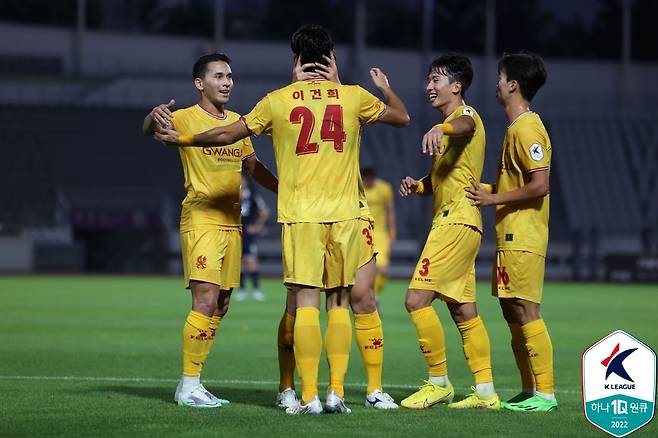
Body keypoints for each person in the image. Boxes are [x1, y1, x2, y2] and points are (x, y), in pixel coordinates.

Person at [155, 24, 409, 415]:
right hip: (344, 214)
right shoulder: (353, 96)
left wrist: (183, 140)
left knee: (302, 305)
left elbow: (227, 136)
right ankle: (335, 393)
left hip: (301, 216)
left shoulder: (277, 100)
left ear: (295, 60)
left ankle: (306, 396)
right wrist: (349, 83)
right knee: (340, 302)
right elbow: (402, 117)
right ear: (331, 58)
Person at [142, 52, 277, 408]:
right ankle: (187, 385)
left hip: (233, 224)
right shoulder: (185, 117)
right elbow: (150, 129)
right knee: (204, 299)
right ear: (200, 83)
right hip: (201, 219)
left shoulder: (237, 123)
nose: (227, 82)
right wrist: (151, 116)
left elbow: (254, 167)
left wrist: (286, 188)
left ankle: (195, 381)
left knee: (221, 303)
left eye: (230, 76)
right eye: (219, 76)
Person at [275, 56, 399, 412]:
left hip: (350, 216)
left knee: (362, 298)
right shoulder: (296, 100)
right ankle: (291, 387)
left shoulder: (347, 98)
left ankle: (366, 390)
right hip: (310, 215)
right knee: (302, 306)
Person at [398, 53, 499, 410]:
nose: (429, 86)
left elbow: (466, 125)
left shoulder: (463, 117)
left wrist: (441, 128)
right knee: (463, 311)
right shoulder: (451, 126)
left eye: (436, 80)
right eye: (428, 80)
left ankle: (438, 382)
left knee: (415, 300)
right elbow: (448, 178)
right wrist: (421, 185)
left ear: (456, 86)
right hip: (462, 220)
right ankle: (486, 392)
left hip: (455, 222)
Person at [465, 51, 557, 412]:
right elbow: (517, 182)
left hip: (525, 234)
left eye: (501, 78)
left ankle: (545, 394)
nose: (497, 84)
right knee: (510, 308)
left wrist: (494, 199)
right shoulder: (515, 128)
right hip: (510, 235)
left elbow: (540, 185)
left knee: (525, 308)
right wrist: (483, 191)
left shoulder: (528, 128)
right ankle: (529, 389)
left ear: (513, 85)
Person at [362, 167, 396, 298]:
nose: (368, 182)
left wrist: (392, 231)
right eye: (366, 179)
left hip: (380, 233)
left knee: (382, 269)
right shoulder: (357, 188)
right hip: (363, 232)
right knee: (363, 270)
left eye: (371, 179)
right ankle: (366, 297)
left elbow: (390, 210)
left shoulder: (384, 188)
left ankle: (373, 296)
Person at [236, 175, 270, 302]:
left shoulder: (252, 194)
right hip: (236, 232)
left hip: (248, 233)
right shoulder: (232, 195)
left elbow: (265, 212)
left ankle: (256, 290)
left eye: (241, 179)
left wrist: (257, 226)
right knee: (238, 261)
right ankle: (242, 290)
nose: (239, 182)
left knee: (251, 260)